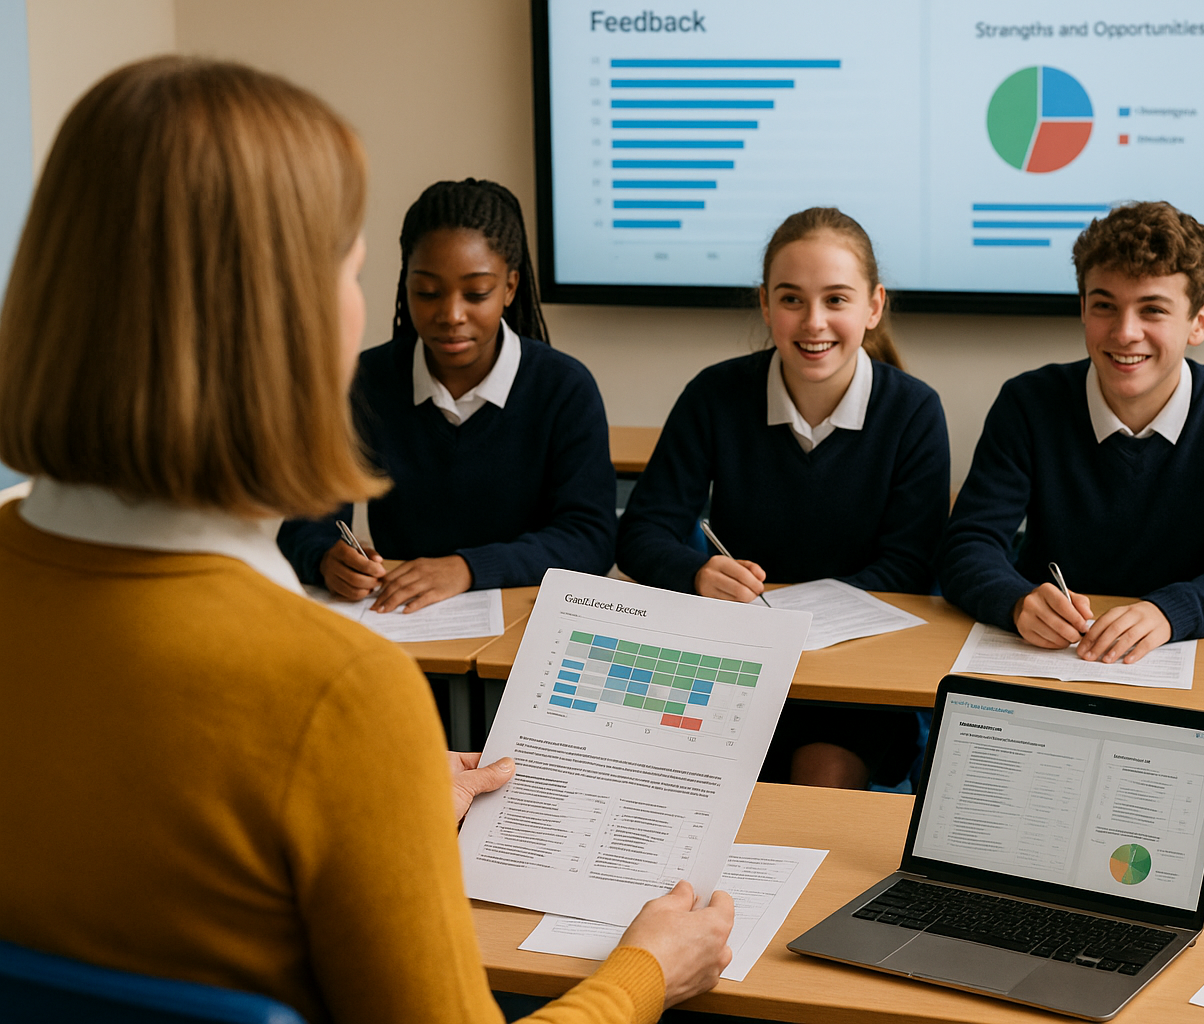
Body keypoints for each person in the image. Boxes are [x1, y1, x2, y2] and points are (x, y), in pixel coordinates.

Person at [0, 57, 730, 1024]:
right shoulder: (341, 696)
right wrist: (645, 972)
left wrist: (377, 800)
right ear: (283, 323)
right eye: (354, 272)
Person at [617, 207, 950, 789]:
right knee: (668, 784)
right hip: (735, 662)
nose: (813, 321)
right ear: (766, 305)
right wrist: (697, 572)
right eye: (792, 299)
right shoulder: (716, 394)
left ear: (873, 306)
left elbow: (910, 567)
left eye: (836, 299)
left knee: (816, 783)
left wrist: (792, 615)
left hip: (854, 672)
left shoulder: (914, 410)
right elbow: (641, 532)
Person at [939, 201, 1204, 662]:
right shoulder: (1028, 403)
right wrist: (1017, 602)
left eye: (1153, 310)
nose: (1125, 333)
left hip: (1185, 659)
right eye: (1105, 305)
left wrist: (1169, 612)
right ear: (1084, 308)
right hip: (1052, 656)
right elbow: (968, 545)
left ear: (1199, 322)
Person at [279, 178, 616, 613]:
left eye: (476, 294)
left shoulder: (564, 388)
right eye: (427, 293)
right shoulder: (366, 382)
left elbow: (591, 539)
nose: (451, 314)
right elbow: (303, 523)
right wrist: (326, 559)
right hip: (403, 621)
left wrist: (468, 568)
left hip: (521, 621)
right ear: (406, 286)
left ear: (510, 287)